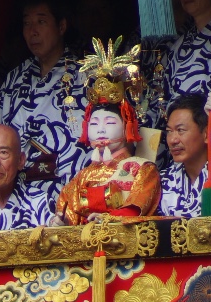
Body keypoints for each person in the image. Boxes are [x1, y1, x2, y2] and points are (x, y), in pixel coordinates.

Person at [0, 0, 89, 188]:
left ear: (61, 26)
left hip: (66, 188)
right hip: (15, 189)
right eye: (27, 23)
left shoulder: (85, 77)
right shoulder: (14, 78)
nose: (32, 31)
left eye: (41, 21)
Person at [56, 45, 162, 225]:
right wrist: (61, 221)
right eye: (95, 124)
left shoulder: (141, 169)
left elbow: (137, 206)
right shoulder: (83, 175)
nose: (101, 130)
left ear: (126, 127)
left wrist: (111, 219)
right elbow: (67, 210)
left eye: (110, 123)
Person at [159, 94, 211, 218]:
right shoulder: (163, 180)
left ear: (206, 134)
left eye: (180, 130)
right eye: (169, 131)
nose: (172, 140)